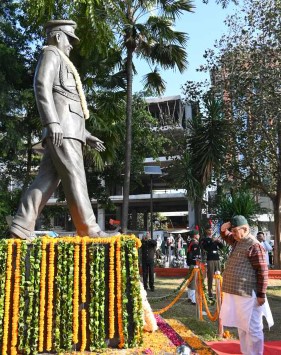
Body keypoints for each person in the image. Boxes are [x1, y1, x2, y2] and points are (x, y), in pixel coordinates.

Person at [9, 20, 119, 241]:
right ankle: (89, 229)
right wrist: (52, 123)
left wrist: (85, 135)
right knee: (75, 176)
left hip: (70, 129)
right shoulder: (51, 54)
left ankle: (21, 225)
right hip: (62, 129)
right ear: (58, 36)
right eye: (69, 39)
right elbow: (42, 86)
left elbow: (68, 101)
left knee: (47, 179)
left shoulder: (62, 60)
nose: (71, 45)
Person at [220, 216, 274, 355]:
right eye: (232, 230)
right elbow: (225, 235)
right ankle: (246, 353)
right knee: (242, 326)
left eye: (235, 230)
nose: (232, 233)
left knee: (253, 328)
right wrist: (225, 227)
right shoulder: (238, 240)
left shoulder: (254, 245)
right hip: (237, 293)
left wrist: (261, 294)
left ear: (244, 229)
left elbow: (262, 271)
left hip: (250, 294)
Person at [201, 224, 223, 298]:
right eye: (209, 230)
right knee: (210, 276)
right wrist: (211, 241)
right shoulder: (204, 239)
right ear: (206, 231)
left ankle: (219, 291)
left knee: (218, 275)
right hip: (210, 258)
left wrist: (219, 242)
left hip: (217, 258)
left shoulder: (214, 238)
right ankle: (210, 292)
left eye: (211, 230)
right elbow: (205, 248)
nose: (210, 231)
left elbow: (222, 247)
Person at [186, 229, 201, 304]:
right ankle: (193, 299)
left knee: (191, 280)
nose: (199, 235)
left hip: (191, 264)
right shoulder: (195, 244)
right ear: (195, 235)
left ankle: (189, 297)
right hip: (194, 264)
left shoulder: (191, 242)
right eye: (198, 234)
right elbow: (195, 256)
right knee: (193, 281)